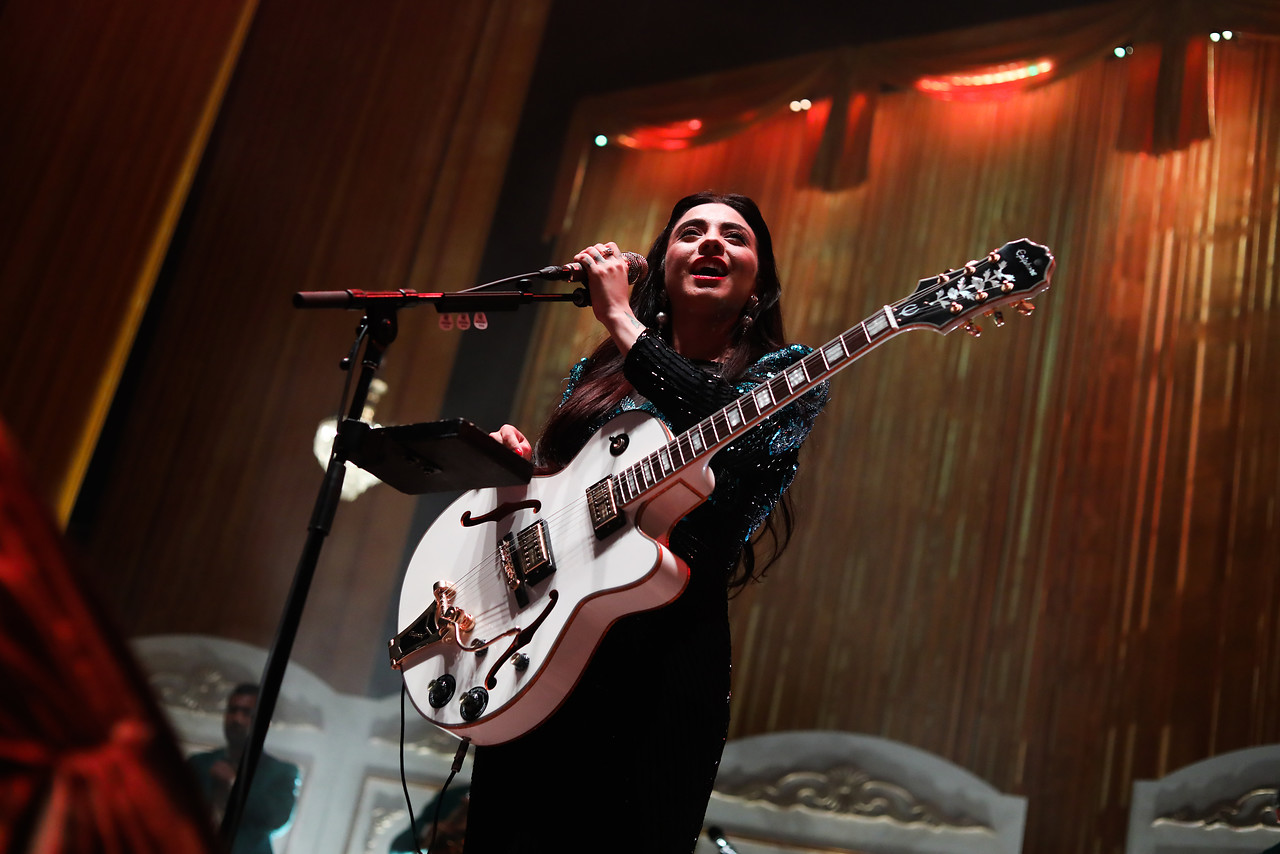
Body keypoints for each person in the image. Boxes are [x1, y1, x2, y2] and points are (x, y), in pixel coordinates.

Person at [468, 192, 829, 853]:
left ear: (759, 280)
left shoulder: (788, 375)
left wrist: (619, 318)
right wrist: (521, 480)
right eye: (692, 232)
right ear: (661, 266)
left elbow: (735, 435)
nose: (713, 243)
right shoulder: (600, 373)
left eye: (734, 237)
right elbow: (558, 510)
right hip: (546, 648)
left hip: (665, 661)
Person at [187, 684, 299, 854]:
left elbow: (278, 819)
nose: (237, 719)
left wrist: (235, 785)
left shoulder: (282, 771)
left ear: (264, 723)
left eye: (247, 713)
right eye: (232, 710)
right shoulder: (199, 763)